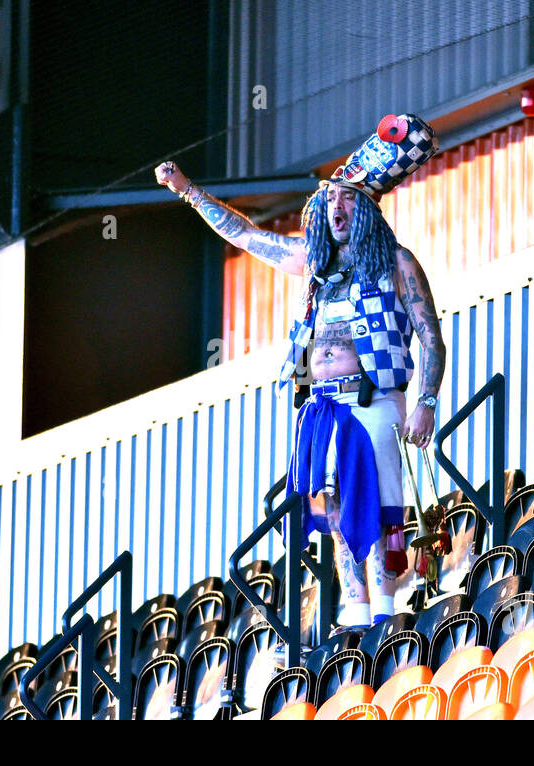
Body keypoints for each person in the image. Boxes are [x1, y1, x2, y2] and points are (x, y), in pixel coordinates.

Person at [155, 113, 446, 632]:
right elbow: (246, 235)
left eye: (348, 199)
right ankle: (357, 615)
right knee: (334, 513)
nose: (337, 206)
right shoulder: (312, 266)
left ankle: (386, 607)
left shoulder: (394, 262)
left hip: (372, 400)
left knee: (378, 506)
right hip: (319, 407)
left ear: (367, 212)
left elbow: (429, 334)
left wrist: (425, 401)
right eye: (329, 199)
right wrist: (188, 191)